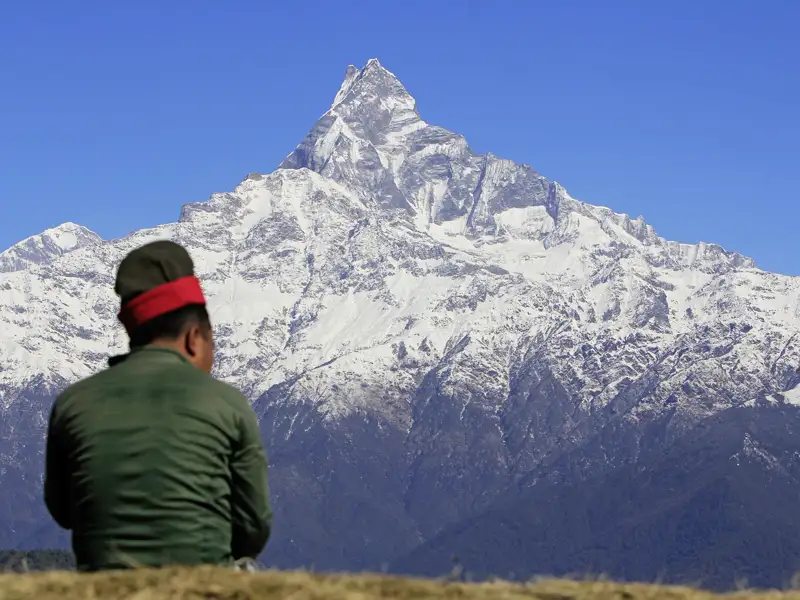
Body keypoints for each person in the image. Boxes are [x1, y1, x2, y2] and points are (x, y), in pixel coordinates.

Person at [43, 240, 272, 571]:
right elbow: (254, 527)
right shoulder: (227, 403)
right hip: (205, 585)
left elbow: (63, 511)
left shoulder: (72, 403)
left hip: (102, 586)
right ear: (195, 338)